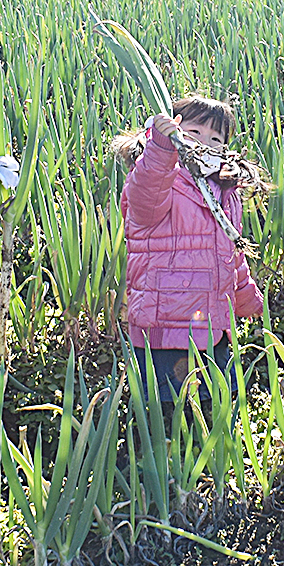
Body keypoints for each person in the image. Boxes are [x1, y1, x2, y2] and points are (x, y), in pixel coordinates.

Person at [114, 96, 265, 404]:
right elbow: (145, 196)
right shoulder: (158, 181)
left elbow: (230, 256)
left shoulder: (223, 192)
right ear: (175, 132)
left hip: (211, 327)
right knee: (164, 409)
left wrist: (246, 297)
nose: (205, 143)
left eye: (215, 138)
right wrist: (160, 150)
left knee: (212, 406)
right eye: (194, 132)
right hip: (164, 328)